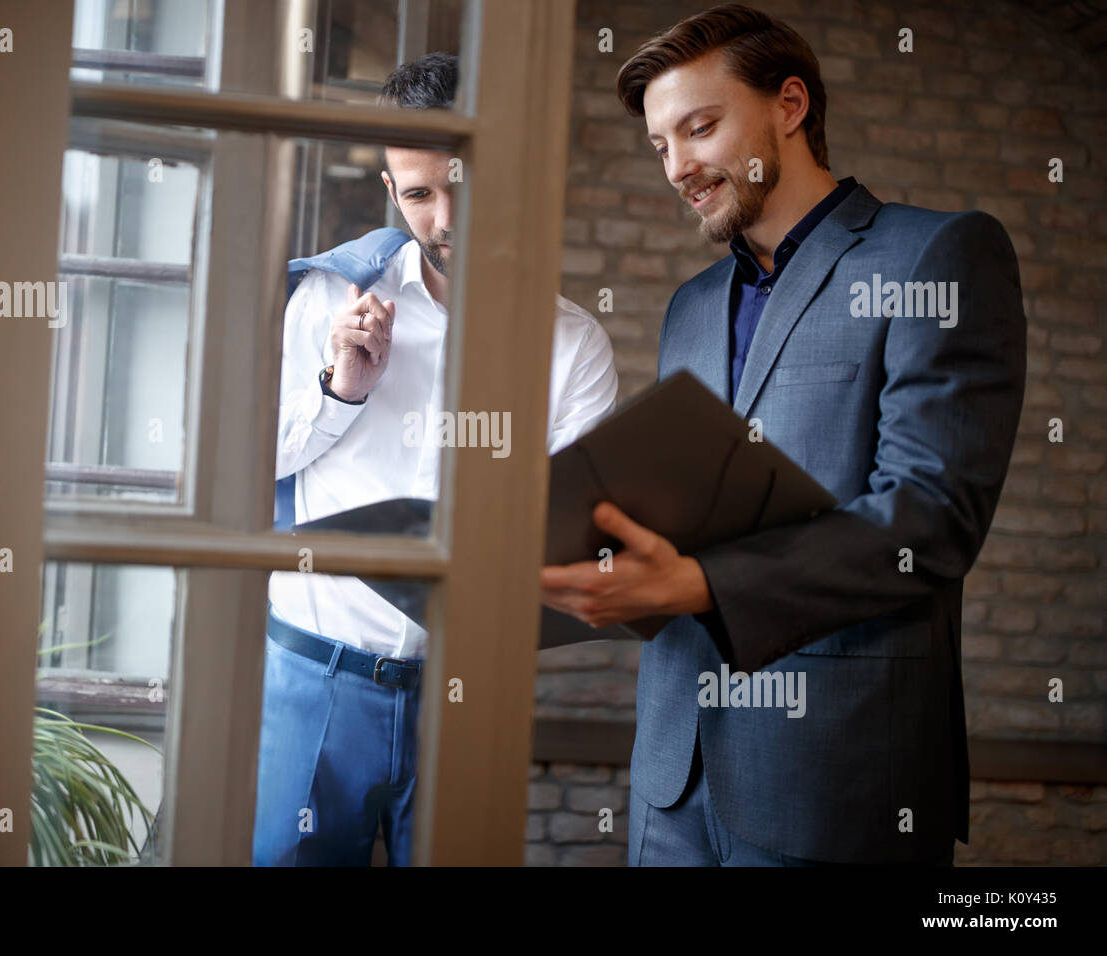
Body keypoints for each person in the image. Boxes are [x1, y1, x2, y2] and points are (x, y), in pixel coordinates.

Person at [541, 4, 1025, 866]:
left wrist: (695, 583)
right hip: (672, 778)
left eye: (701, 127)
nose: (679, 166)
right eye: (661, 145)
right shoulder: (690, 306)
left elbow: (929, 519)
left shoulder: (937, 257)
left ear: (790, 106)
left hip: (838, 778)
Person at [254, 52, 619, 866]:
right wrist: (342, 389)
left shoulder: (572, 347)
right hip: (315, 682)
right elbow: (255, 465)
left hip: (470, 697)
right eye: (419, 194)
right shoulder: (326, 299)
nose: (447, 216)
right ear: (392, 191)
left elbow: (576, 535)